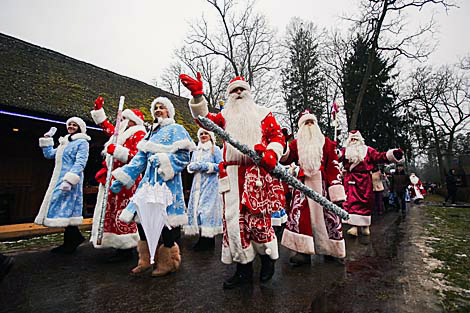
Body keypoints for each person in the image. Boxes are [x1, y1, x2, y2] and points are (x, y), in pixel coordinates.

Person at [180, 73, 285, 289]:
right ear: (228, 95)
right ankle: (242, 269)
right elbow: (204, 121)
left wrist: (272, 153)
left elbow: (277, 137)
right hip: (231, 175)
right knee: (234, 223)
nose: (238, 93)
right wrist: (198, 97)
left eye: (241, 89)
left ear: (247, 92)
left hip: (256, 174)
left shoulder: (263, 114)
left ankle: (267, 259)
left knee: (258, 221)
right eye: (233, 90)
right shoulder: (225, 116)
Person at [111, 97, 195, 276]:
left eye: (162, 107)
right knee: (141, 220)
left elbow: (184, 158)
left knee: (165, 224)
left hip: (167, 185)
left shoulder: (177, 130)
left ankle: (168, 261)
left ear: (169, 111)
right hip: (147, 184)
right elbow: (139, 160)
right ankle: (145, 260)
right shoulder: (150, 133)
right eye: (155, 108)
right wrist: (123, 177)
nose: (158, 110)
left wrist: (164, 160)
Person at [280, 110, 346, 266]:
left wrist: (336, 189)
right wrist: (282, 144)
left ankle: (332, 249)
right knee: (302, 217)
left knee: (328, 218)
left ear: (316, 125)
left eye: (311, 122)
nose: (309, 125)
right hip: (303, 185)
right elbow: (286, 159)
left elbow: (333, 166)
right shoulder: (296, 144)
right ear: (301, 126)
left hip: (323, 184)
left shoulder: (327, 143)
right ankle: (303, 251)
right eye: (305, 123)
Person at [89, 97, 147, 262]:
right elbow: (108, 128)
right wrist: (99, 112)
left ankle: (127, 247)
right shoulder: (119, 134)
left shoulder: (140, 134)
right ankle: (118, 244)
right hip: (113, 178)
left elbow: (138, 158)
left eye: (124, 119)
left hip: (127, 180)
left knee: (124, 213)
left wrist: (119, 151)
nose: (121, 122)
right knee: (113, 211)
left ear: (131, 121)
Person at [35, 117, 90, 253]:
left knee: (66, 208)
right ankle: (72, 239)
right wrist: (47, 139)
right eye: (69, 124)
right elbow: (49, 155)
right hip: (58, 178)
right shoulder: (64, 142)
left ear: (79, 128)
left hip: (71, 180)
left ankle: (71, 242)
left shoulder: (82, 142)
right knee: (63, 209)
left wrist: (69, 180)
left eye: (74, 125)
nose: (71, 126)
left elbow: (80, 162)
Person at [339, 130, 404, 236]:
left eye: (356, 139)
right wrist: (334, 153)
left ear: (360, 140)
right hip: (350, 179)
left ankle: (365, 225)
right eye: (352, 139)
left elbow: (379, 157)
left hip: (365, 179)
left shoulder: (368, 150)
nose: (354, 141)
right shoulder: (345, 151)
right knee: (351, 201)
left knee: (366, 201)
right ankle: (354, 226)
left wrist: (391, 155)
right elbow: (338, 156)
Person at [184, 128, 223, 251]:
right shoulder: (196, 151)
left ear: (211, 136)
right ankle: (203, 237)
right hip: (197, 185)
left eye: (206, 133)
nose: (203, 135)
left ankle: (208, 240)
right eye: (201, 134)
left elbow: (222, 166)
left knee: (207, 211)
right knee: (197, 211)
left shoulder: (215, 149)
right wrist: (191, 166)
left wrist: (207, 166)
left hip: (211, 185)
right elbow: (191, 165)